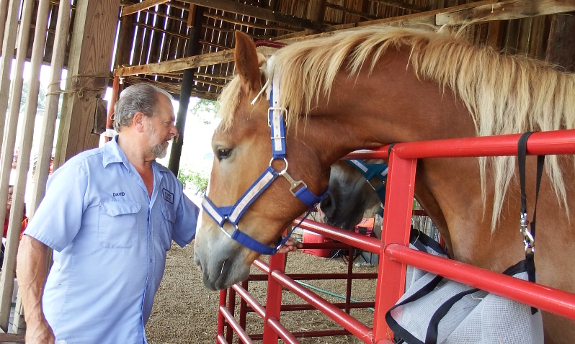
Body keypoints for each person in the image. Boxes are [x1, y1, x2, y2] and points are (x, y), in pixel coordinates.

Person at [16, 83, 299, 344]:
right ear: (139, 121)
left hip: (131, 335)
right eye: (168, 122)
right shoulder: (84, 173)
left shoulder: (167, 184)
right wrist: (35, 321)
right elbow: (33, 244)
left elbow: (206, 231)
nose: (174, 131)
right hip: (72, 335)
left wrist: (266, 237)